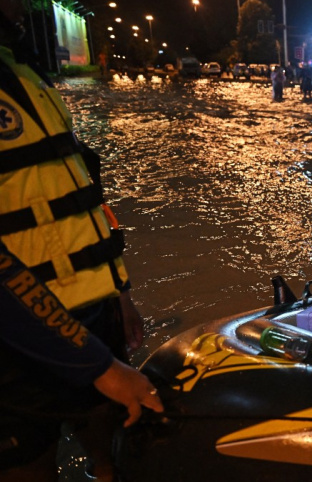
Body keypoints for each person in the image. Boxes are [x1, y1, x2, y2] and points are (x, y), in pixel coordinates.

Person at [0, 3, 163, 478]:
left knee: (113, 457)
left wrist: (120, 294)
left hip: (92, 321)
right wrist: (98, 365)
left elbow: (78, 200)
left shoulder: (23, 71)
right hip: (21, 345)